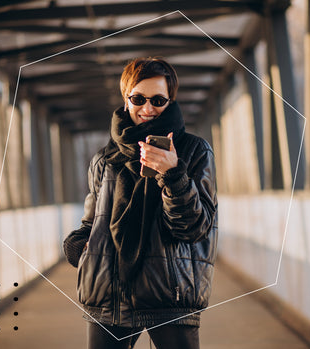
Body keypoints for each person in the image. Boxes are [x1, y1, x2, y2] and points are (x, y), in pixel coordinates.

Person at [63, 57, 218, 349]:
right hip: (110, 296)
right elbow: (90, 222)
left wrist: (173, 173)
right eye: (138, 98)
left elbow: (194, 228)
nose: (148, 109)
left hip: (169, 296)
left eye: (158, 100)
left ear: (170, 101)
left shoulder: (193, 151)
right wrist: (80, 247)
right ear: (126, 100)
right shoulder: (104, 160)